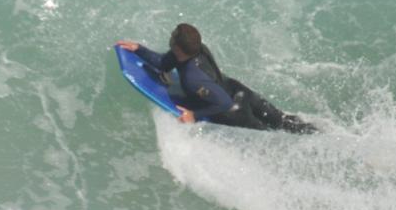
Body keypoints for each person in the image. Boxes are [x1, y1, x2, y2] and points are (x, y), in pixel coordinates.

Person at [116, 23, 318, 134]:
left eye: (172, 38)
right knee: (286, 123)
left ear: (178, 48)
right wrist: (138, 49)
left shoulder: (193, 77)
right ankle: (321, 132)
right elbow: (164, 63)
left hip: (234, 111)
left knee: (276, 137)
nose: (170, 38)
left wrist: (194, 115)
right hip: (239, 90)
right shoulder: (195, 50)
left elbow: (223, 102)